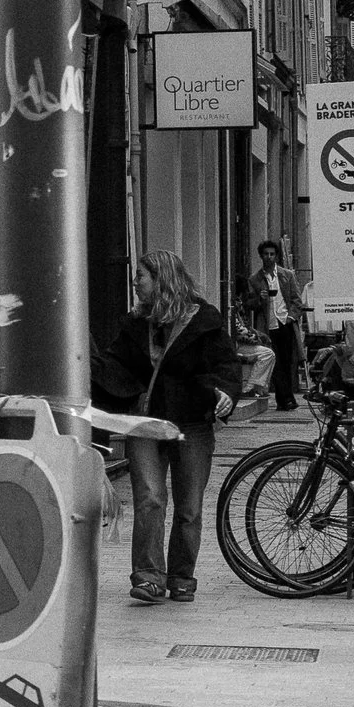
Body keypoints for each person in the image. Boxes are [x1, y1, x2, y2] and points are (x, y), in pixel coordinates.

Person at [93, 246, 242, 605]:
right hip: (145, 422)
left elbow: (226, 365)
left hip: (192, 422)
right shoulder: (134, 324)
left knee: (189, 507)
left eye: (140, 277)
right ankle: (148, 578)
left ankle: (181, 576)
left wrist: (226, 394)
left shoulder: (205, 320)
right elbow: (115, 366)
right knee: (150, 498)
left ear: (162, 280)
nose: (135, 284)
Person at [249, 238, 306, 411]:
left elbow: (297, 301)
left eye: (272, 254)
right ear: (261, 256)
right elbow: (250, 305)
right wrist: (260, 299)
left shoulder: (287, 275)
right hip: (267, 327)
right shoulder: (255, 279)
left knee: (288, 361)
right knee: (275, 363)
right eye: (266, 254)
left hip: (284, 324)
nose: (269, 257)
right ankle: (285, 399)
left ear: (276, 256)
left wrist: (291, 317)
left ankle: (286, 399)